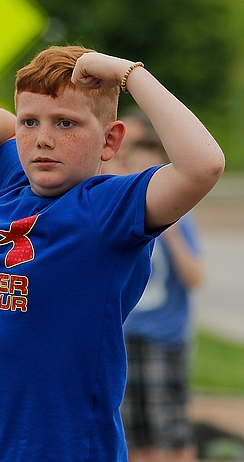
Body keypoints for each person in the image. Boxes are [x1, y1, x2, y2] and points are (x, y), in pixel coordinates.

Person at [0, 46, 224, 461]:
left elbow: (203, 165)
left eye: (66, 123)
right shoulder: (13, 182)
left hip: (63, 446)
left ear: (111, 140)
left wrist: (129, 74)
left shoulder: (108, 207)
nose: (42, 139)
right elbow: (2, 122)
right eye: (32, 122)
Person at [118, 128, 204, 462]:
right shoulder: (121, 217)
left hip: (163, 338)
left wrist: (172, 231)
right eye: (135, 171)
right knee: (131, 429)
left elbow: (195, 277)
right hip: (125, 336)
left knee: (168, 427)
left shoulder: (180, 220)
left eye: (151, 174)